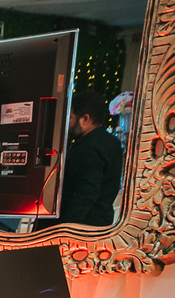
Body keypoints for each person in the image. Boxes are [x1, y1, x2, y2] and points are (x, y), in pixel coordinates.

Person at [50, 89, 124, 227]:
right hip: (101, 222)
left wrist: (64, 228)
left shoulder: (89, 147)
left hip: (82, 227)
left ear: (85, 119)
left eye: (70, 118)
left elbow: (85, 194)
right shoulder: (111, 142)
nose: (67, 124)